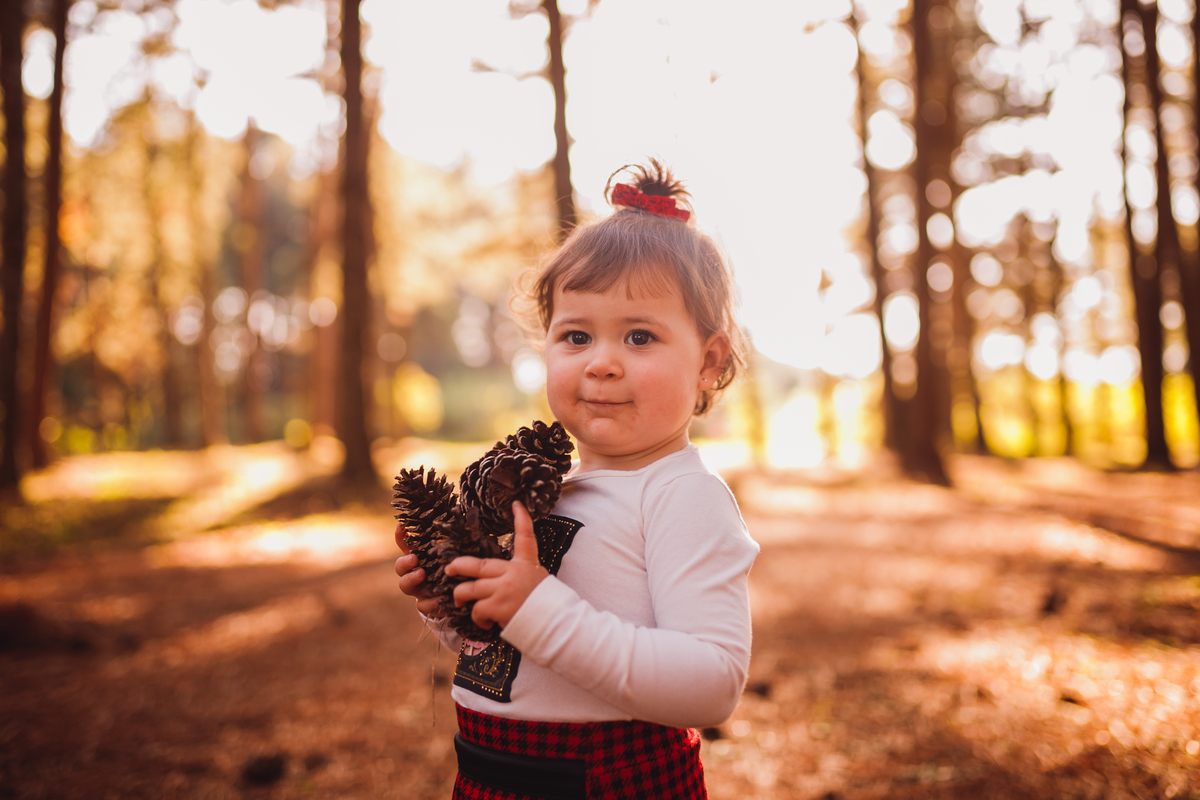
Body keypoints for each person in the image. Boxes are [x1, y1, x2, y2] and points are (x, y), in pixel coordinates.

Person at [394, 160, 759, 800]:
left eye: (640, 336)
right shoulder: (544, 489)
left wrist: (535, 606)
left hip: (611, 781)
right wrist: (460, 608)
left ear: (708, 362)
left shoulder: (681, 496)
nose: (602, 363)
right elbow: (525, 657)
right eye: (577, 335)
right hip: (488, 775)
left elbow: (712, 684)